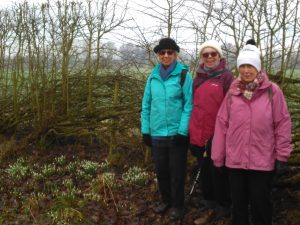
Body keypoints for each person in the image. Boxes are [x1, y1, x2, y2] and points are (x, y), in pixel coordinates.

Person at [212, 39, 293, 225]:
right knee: (238, 205)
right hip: (235, 160)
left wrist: (282, 155)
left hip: (262, 160)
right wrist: (218, 157)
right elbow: (222, 124)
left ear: (258, 68)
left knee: (260, 203)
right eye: (242, 66)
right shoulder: (232, 94)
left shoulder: (273, 92)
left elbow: (282, 123)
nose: (246, 70)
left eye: (250, 66)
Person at [140, 37, 193, 220]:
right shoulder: (152, 77)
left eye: (170, 52)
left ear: (176, 54)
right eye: (162, 52)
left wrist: (182, 131)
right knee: (161, 171)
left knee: (177, 173)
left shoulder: (184, 75)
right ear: (158, 55)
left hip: (176, 135)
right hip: (156, 134)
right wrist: (145, 131)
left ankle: (178, 205)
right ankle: (166, 200)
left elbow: (189, 105)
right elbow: (146, 105)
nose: (166, 55)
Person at [188, 40, 233, 218]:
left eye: (212, 54)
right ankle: (209, 202)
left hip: (218, 135)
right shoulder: (197, 78)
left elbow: (232, 108)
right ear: (201, 57)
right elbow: (193, 106)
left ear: (219, 56)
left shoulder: (227, 78)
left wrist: (222, 133)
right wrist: (192, 132)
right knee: (204, 170)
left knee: (219, 172)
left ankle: (223, 204)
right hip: (198, 133)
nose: (209, 57)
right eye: (205, 54)